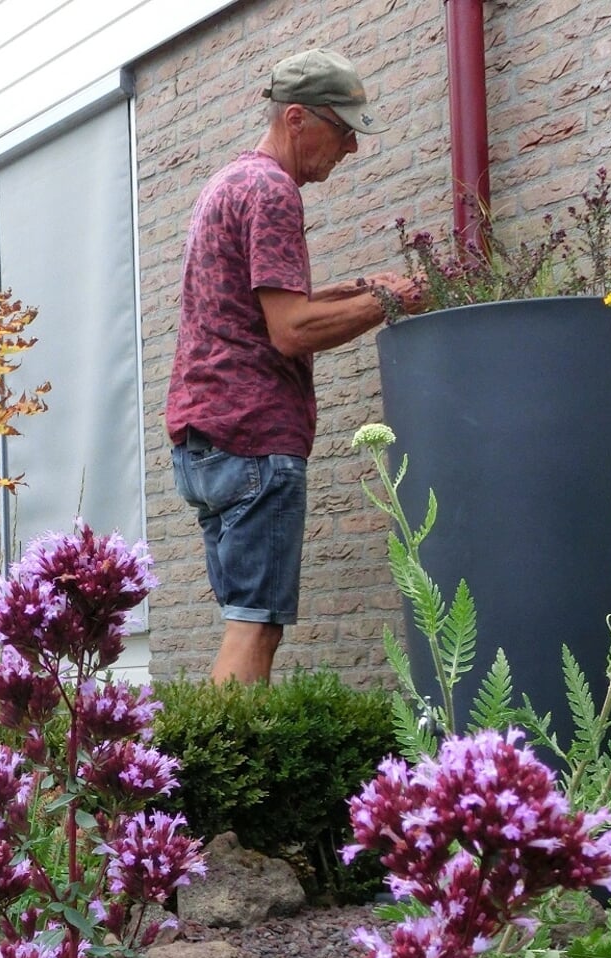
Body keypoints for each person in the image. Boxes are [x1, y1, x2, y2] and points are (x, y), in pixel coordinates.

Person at [165, 47, 424, 686]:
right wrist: (392, 300)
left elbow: (271, 308)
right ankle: (216, 776)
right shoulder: (273, 190)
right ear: (299, 119)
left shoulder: (228, 183)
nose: (352, 150)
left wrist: (361, 288)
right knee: (256, 624)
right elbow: (290, 331)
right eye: (345, 132)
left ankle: (206, 767)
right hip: (254, 437)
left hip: (205, 443)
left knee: (243, 617)